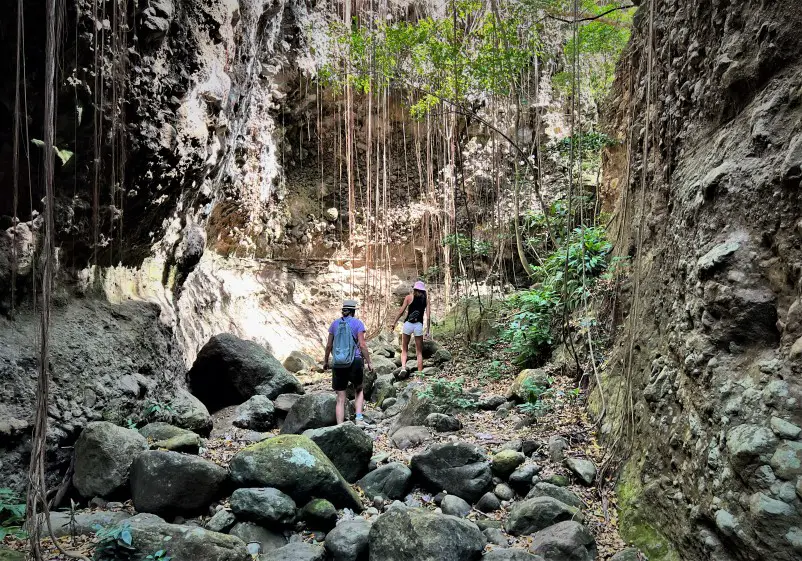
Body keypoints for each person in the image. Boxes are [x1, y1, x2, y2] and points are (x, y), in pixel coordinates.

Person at [323, 299, 373, 424]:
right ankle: (359, 418)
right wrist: (369, 361)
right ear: (353, 311)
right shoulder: (358, 324)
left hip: (338, 363)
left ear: (343, 311)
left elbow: (329, 345)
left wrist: (326, 361)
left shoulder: (334, 324)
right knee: (359, 389)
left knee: (340, 397)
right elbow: (362, 345)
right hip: (354, 361)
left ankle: (340, 425)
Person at [390, 280, 430, 378]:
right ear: (423, 290)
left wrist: (394, 323)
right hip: (418, 326)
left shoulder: (409, 297)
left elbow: (401, 311)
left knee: (404, 348)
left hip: (408, 324)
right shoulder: (426, 300)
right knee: (419, 352)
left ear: (415, 289)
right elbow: (428, 316)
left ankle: (403, 367)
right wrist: (427, 331)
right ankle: (420, 377)